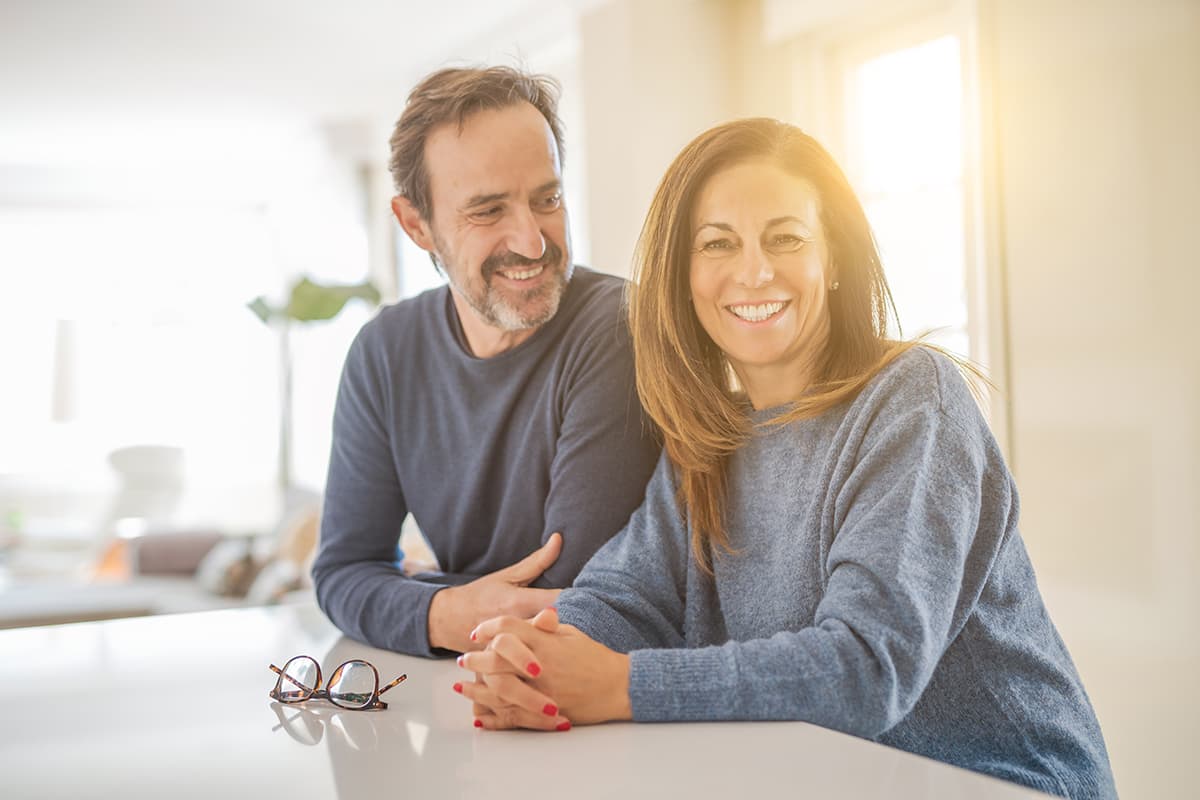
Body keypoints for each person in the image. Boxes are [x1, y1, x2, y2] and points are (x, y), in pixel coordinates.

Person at [454, 118, 1117, 799]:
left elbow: (864, 666)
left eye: (787, 238)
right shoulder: (708, 439)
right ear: (683, 277)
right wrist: (534, 656)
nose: (754, 271)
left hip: (1005, 782)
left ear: (832, 260)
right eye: (717, 243)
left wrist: (621, 684)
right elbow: (627, 600)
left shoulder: (914, 400)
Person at [312, 66, 660, 657]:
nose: (531, 241)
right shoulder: (384, 353)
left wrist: (416, 597)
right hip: (470, 695)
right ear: (416, 224)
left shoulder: (620, 325)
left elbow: (570, 598)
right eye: (488, 210)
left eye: (546, 198)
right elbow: (342, 573)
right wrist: (445, 610)